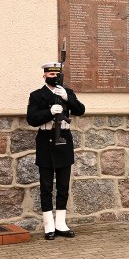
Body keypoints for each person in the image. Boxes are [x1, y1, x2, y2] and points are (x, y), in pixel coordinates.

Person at [26, 62, 86, 240]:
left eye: (57, 75)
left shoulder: (68, 93)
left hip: (64, 142)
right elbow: (32, 119)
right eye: (51, 75)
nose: (54, 77)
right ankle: (48, 225)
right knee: (46, 187)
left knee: (63, 186)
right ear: (44, 76)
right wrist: (50, 111)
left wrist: (68, 98)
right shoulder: (36, 95)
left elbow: (81, 110)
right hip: (45, 143)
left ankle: (61, 223)